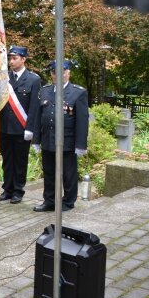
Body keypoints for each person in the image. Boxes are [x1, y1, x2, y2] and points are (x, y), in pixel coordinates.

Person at [32, 60, 89, 212]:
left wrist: (80, 145)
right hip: (48, 139)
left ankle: (68, 201)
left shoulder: (78, 92)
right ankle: (49, 201)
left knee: (68, 174)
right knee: (49, 172)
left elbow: (82, 121)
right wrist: (36, 139)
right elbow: (39, 117)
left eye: (62, 72)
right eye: (54, 72)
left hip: (67, 141)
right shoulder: (45, 91)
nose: (58, 75)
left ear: (68, 72)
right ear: (51, 74)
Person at [0, 46, 41, 204]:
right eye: (10, 58)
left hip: (21, 128)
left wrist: (30, 128)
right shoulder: (4, 78)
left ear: (24, 59)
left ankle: (18, 190)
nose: (11, 61)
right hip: (5, 127)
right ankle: (7, 189)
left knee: (20, 161)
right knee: (7, 160)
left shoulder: (33, 79)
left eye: (15, 58)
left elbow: (34, 107)